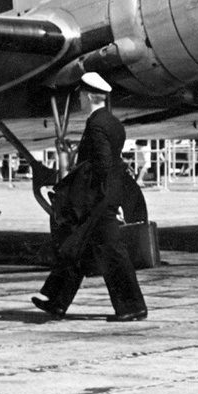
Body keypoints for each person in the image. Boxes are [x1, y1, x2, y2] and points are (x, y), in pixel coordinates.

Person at [33, 73, 148, 322]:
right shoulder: (113, 122)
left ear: (86, 97)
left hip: (100, 199)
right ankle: (57, 302)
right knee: (79, 247)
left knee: (111, 252)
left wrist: (97, 196)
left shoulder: (95, 123)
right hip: (109, 194)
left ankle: (132, 307)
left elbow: (103, 163)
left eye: (80, 96)